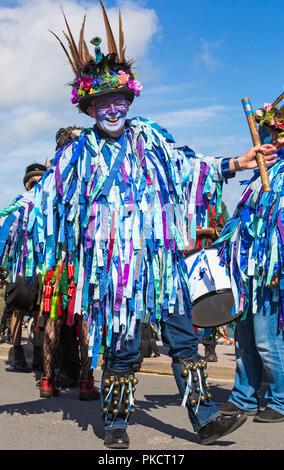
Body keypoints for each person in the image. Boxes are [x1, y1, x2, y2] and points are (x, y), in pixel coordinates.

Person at [0, 2, 278, 448]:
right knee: (124, 350)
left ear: (129, 100)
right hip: (114, 269)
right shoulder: (77, 153)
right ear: (89, 108)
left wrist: (235, 162)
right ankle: (115, 424)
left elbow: (190, 167)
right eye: (103, 102)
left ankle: (204, 420)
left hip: (162, 263)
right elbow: (45, 195)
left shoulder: (149, 136)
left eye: (119, 100)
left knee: (185, 341)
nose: (113, 109)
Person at [216, 93, 284, 422]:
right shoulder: (261, 174)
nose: (274, 139)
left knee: (267, 340)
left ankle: (280, 399)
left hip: (272, 271)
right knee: (243, 339)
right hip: (247, 271)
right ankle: (243, 395)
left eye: (279, 134)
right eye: (270, 133)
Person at [4, 163, 47, 372]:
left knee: (31, 312)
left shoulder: (42, 203)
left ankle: (30, 357)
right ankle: (27, 356)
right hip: (28, 267)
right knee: (25, 312)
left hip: (33, 268)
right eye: (35, 181)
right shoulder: (28, 202)